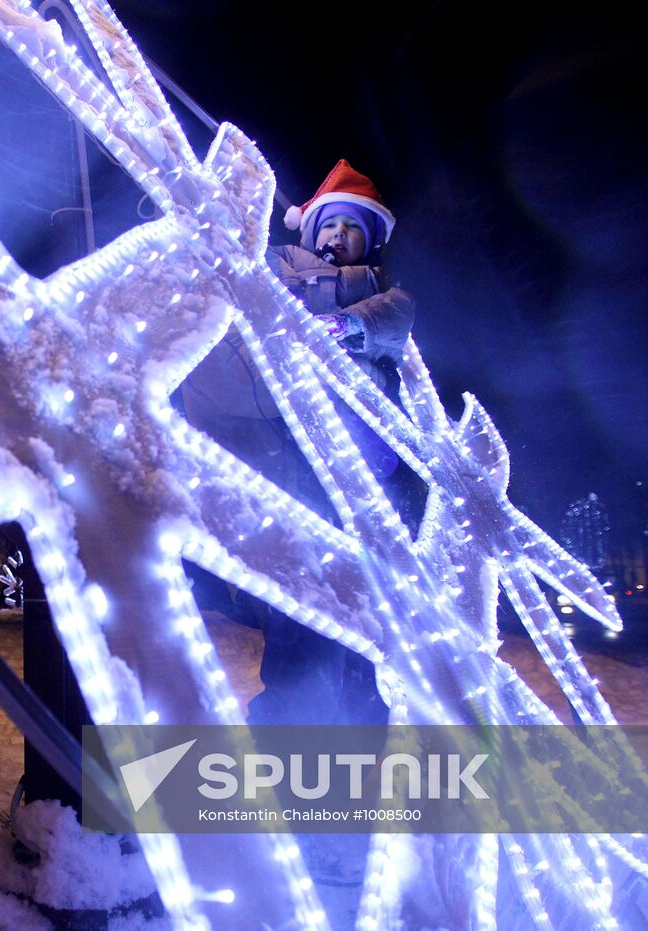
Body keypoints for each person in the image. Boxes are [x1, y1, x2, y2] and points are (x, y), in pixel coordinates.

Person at [181, 159, 412, 726]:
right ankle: (290, 766)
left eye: (354, 228)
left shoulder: (384, 299)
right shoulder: (276, 281)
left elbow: (397, 317)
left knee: (363, 643)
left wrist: (350, 326)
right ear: (309, 233)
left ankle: (358, 769)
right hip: (291, 486)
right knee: (299, 634)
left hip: (358, 496)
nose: (339, 236)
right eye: (330, 225)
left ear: (371, 242)